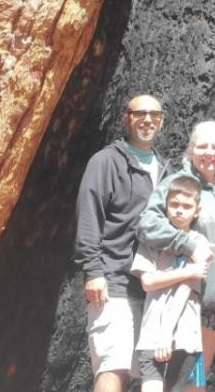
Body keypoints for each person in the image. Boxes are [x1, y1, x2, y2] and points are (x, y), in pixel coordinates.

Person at [74, 94, 167, 392]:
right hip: (112, 282)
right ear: (125, 118)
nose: (147, 119)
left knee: (137, 370)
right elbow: (89, 215)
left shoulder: (163, 169)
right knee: (113, 365)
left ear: (162, 122)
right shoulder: (106, 161)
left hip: (148, 287)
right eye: (139, 113)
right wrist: (93, 271)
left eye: (154, 114)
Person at [138, 120, 215, 376]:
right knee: (173, 378)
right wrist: (188, 243)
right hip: (183, 298)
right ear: (190, 150)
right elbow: (147, 224)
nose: (209, 152)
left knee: (198, 379)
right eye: (202, 146)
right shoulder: (177, 183)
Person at [132, 174, 209, 392]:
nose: (179, 210)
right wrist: (190, 270)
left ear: (197, 210)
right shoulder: (152, 241)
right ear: (165, 205)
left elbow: (186, 290)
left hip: (186, 338)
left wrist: (167, 333)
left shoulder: (200, 244)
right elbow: (147, 282)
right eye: (174, 204)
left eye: (186, 206)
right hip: (151, 335)